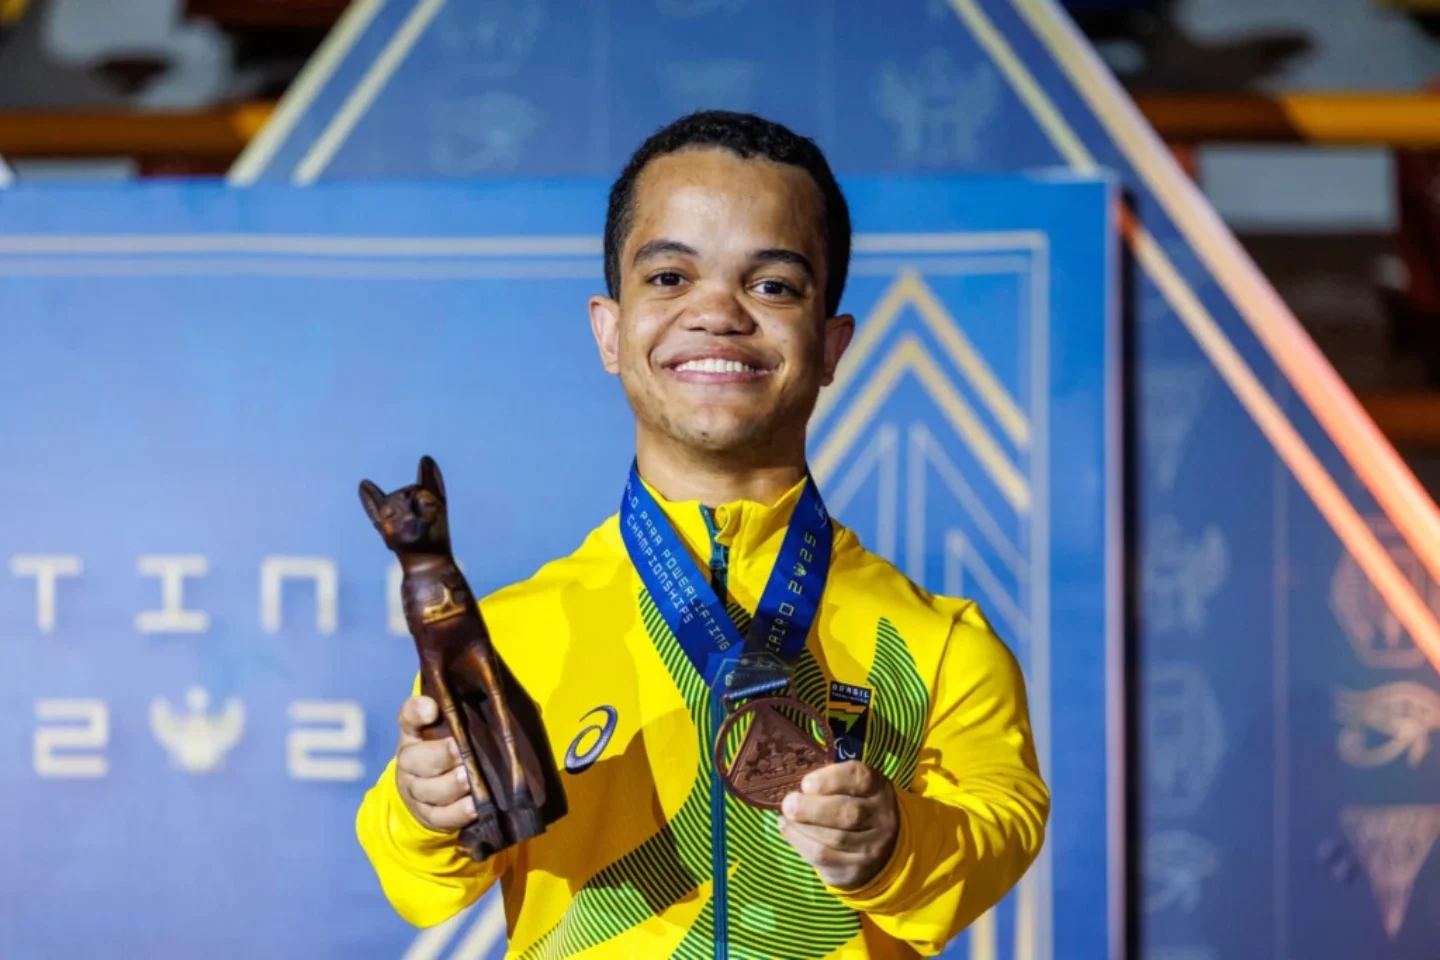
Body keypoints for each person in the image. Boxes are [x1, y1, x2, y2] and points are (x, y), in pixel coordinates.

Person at [355, 109, 1050, 959]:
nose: (717, 311)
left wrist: (896, 846)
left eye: (773, 286)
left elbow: (1001, 828)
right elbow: (418, 886)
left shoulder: (945, 645)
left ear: (832, 345)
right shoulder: (514, 634)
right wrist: (423, 811)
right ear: (610, 331)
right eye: (670, 278)